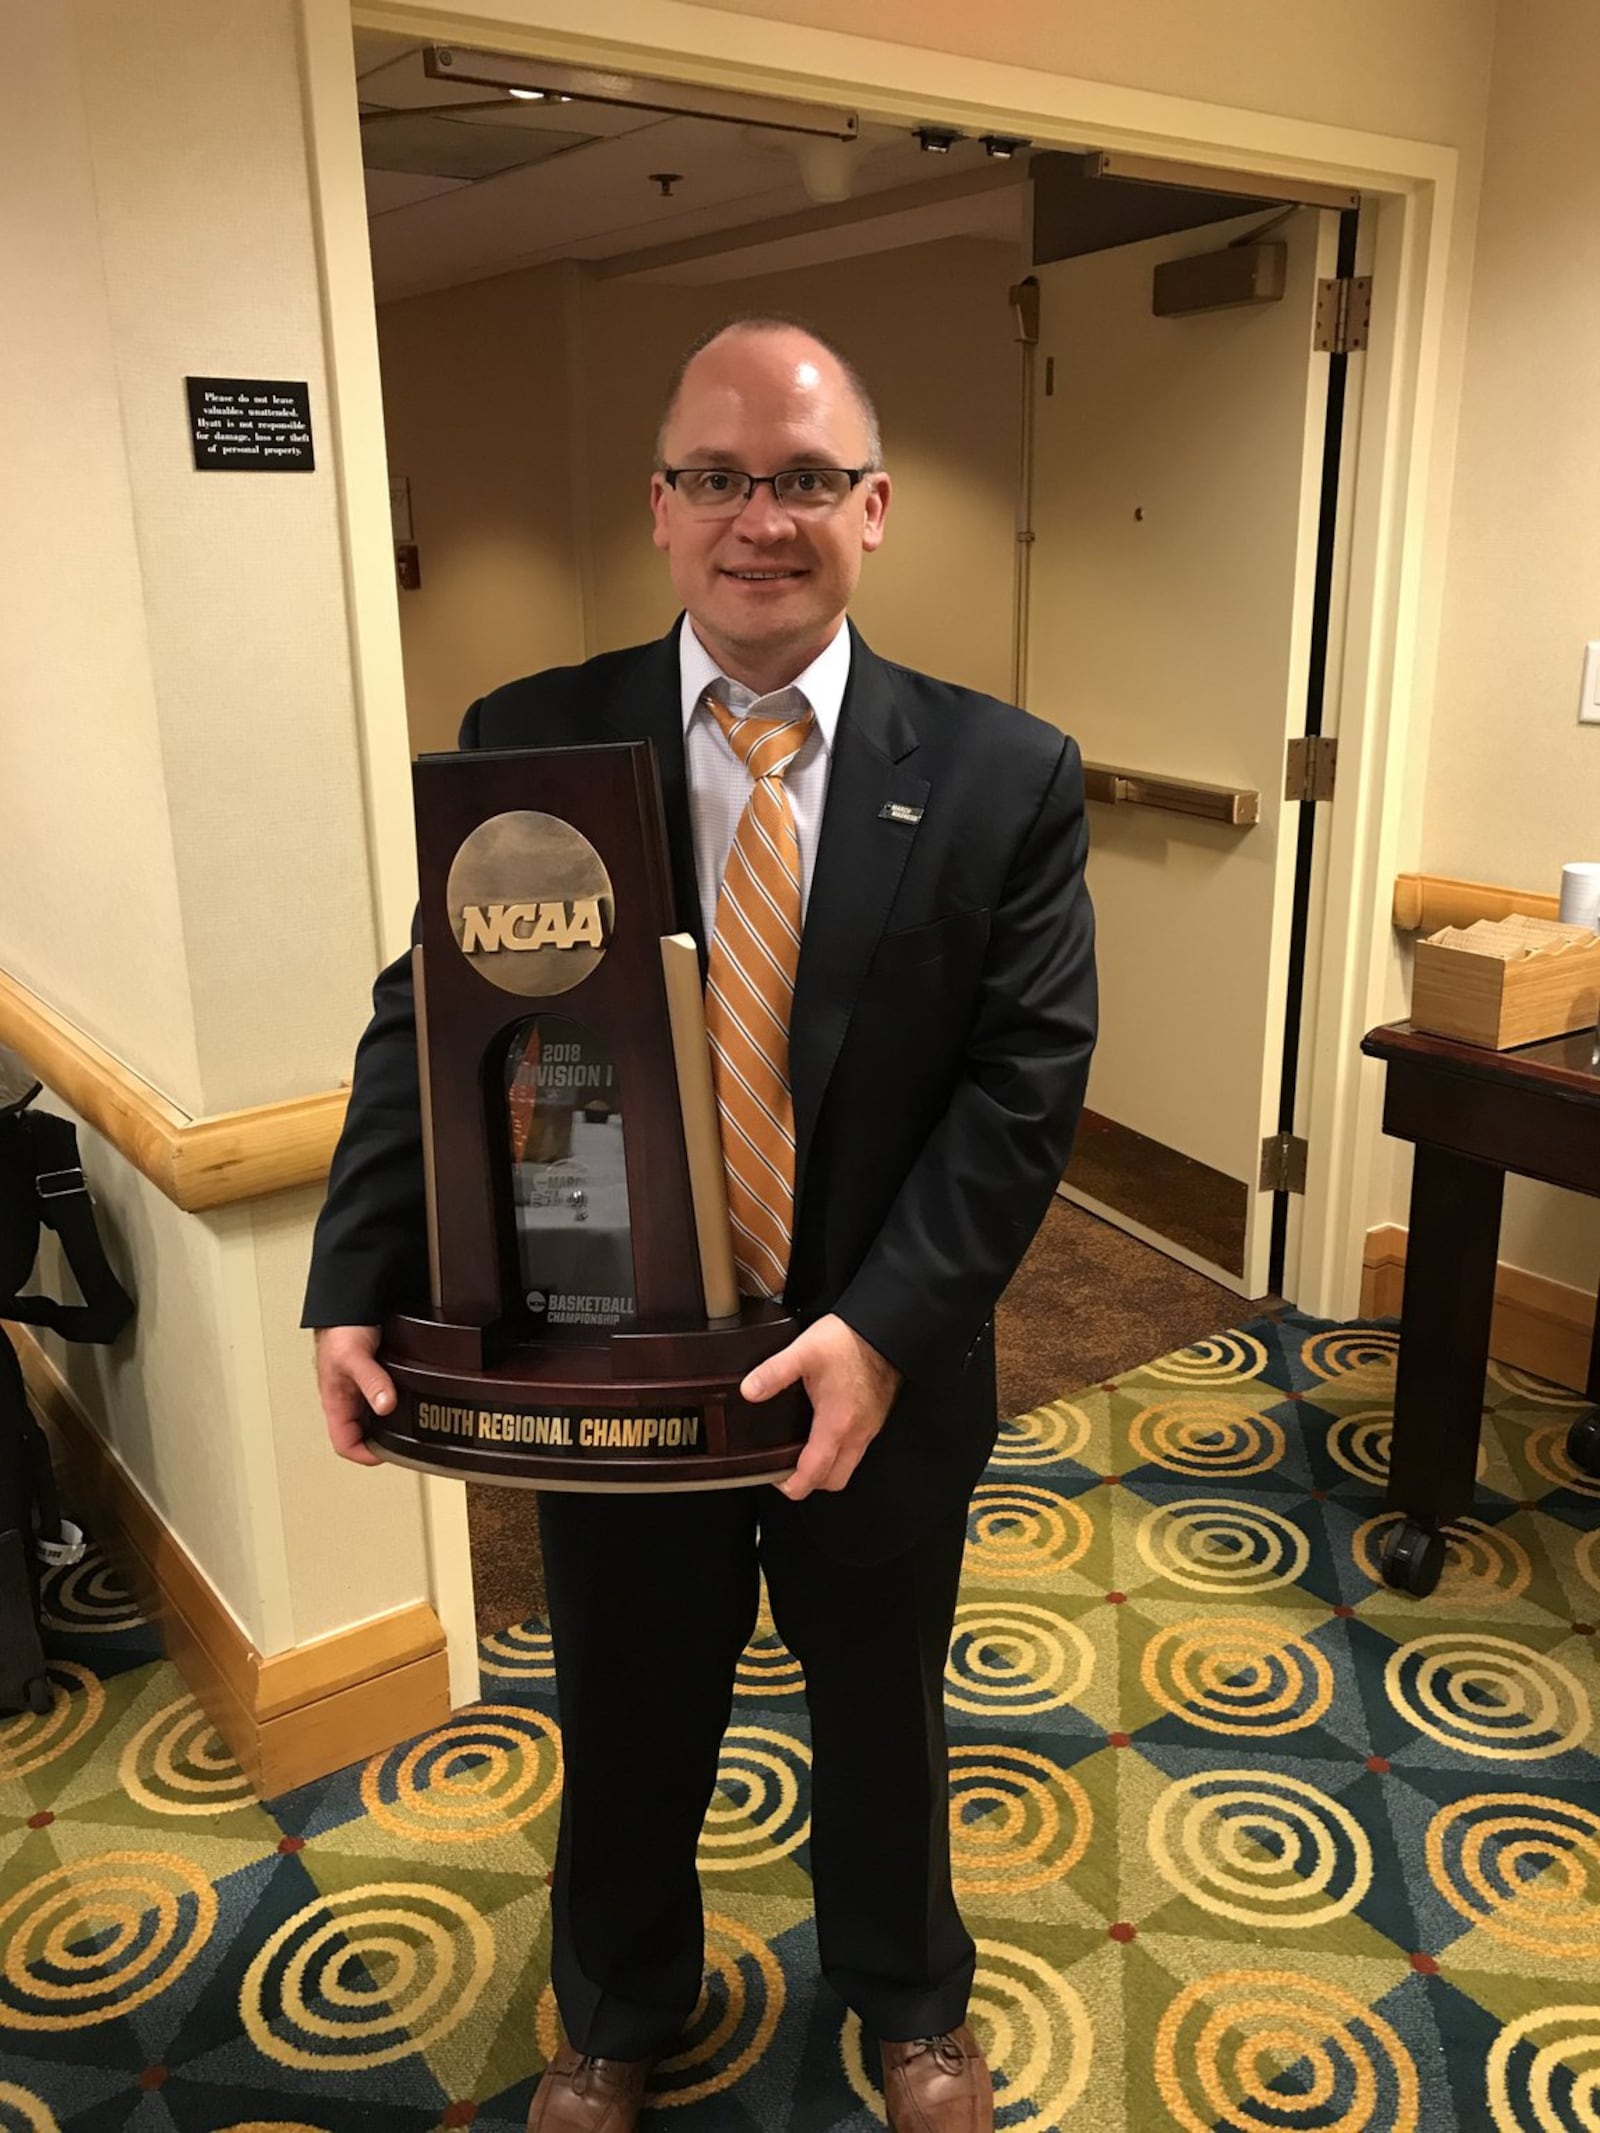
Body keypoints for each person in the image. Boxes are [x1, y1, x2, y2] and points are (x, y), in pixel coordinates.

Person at [305, 316, 1096, 2133]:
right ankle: (616, 2009)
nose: (765, 515)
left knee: (887, 1716)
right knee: (630, 1711)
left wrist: (886, 1326)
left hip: (874, 1369)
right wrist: (357, 1275)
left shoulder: (1002, 774)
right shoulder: (533, 738)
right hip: (618, 1364)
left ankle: (911, 2004)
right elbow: (426, 1013)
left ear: (874, 507)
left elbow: (1022, 1087)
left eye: (808, 476)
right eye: (723, 476)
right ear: (661, 507)